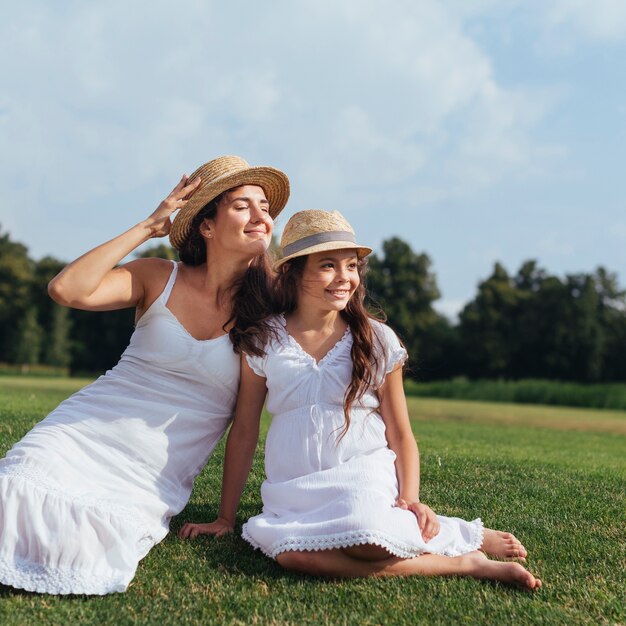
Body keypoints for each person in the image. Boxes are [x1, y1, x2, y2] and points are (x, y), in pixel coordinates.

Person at [179, 209, 542, 590]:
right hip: (294, 487)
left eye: (351, 266)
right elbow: (245, 431)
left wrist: (410, 499)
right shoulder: (264, 340)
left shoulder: (376, 339)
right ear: (294, 273)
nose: (344, 277)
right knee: (291, 555)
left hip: (362, 475)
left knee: (367, 537)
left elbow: (401, 434)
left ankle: (461, 551)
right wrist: (224, 517)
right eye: (328, 266)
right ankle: (465, 561)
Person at [0, 155, 290, 595]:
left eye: (265, 207)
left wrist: (225, 517)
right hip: (80, 433)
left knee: (83, 544)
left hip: (148, 473)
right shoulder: (158, 276)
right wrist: (148, 226)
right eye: (242, 205)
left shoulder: (269, 314)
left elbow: (246, 426)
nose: (260, 216)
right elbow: (66, 289)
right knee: (15, 486)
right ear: (207, 226)